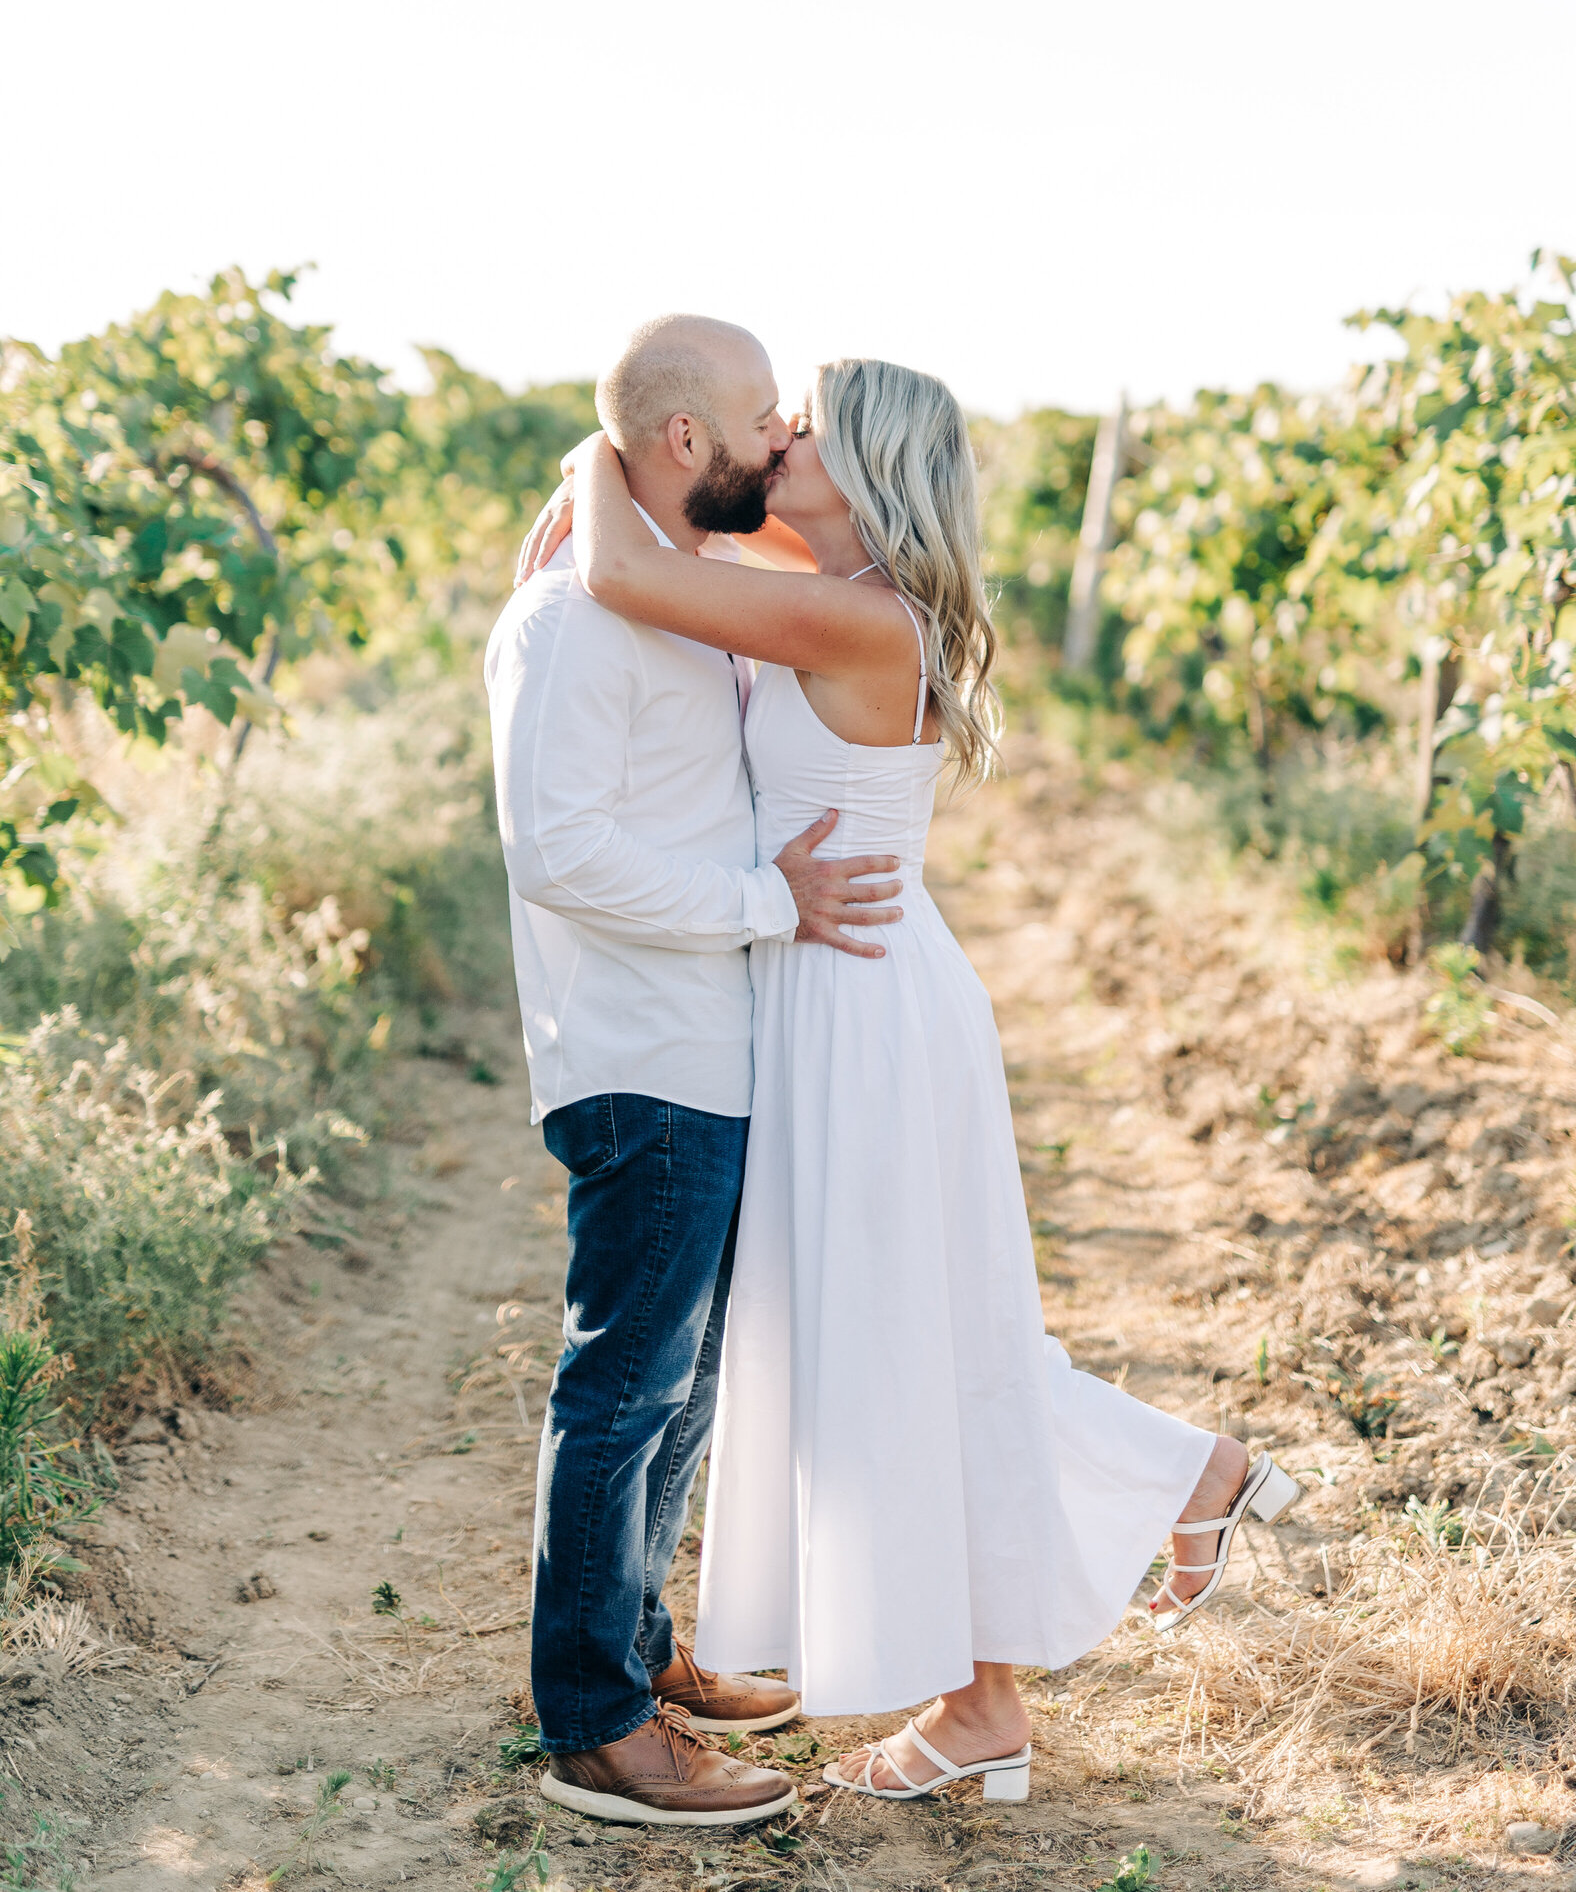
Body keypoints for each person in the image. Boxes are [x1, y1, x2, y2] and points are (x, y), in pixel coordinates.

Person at [528, 344, 1301, 1807]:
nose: (774, 441)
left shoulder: (850, 615)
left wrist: (590, 455)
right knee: (901, 1347)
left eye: (801, 427)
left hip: (862, 1011)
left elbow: (629, 571)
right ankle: (989, 1696)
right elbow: (682, 540)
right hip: (849, 996)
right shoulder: (844, 593)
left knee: (902, 1348)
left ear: (869, 466)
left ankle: (1156, 1509)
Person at [484, 317, 911, 1828]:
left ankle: (637, 1651)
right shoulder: (572, 624)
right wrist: (762, 903)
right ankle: (595, 1723)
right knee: (627, 1380)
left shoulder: (683, 602)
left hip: (714, 1046)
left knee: (684, 1383)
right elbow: (558, 851)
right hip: (644, 1049)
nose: (779, 432)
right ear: (682, 444)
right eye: (756, 417)